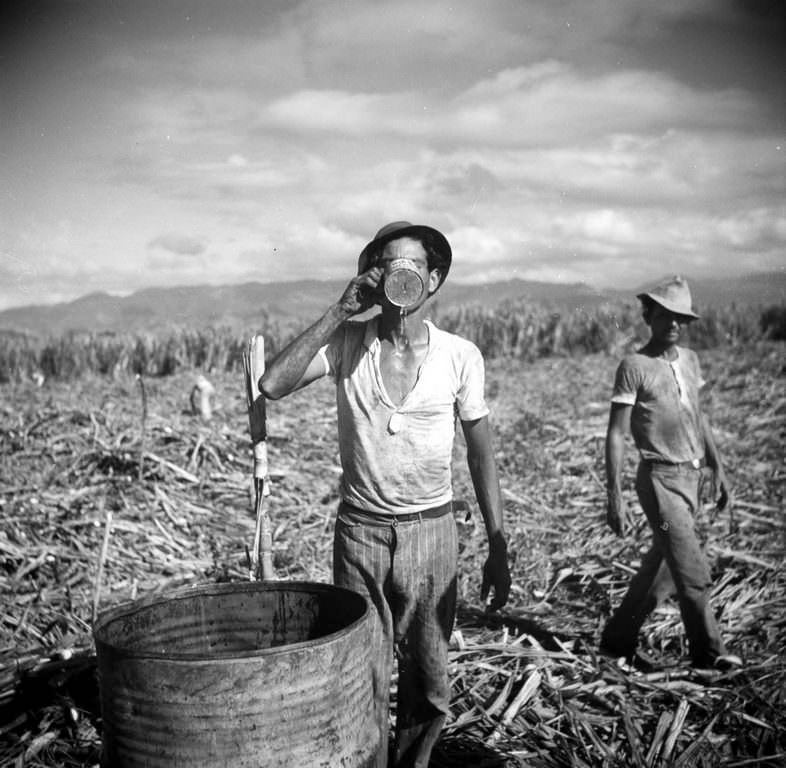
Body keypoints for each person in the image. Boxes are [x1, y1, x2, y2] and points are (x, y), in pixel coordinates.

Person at [260, 221, 511, 767]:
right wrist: (338, 310)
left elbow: (481, 453)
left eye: (412, 266)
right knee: (361, 678)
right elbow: (273, 384)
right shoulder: (348, 344)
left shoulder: (459, 356)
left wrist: (497, 541)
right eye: (387, 265)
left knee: (429, 680)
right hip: (361, 534)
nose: (401, 276)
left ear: (434, 278)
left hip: (432, 534)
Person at [600, 275, 739, 670]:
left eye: (682, 317)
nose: (674, 324)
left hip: (691, 477)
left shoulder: (691, 361)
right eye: (666, 315)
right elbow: (616, 432)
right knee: (691, 571)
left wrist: (717, 466)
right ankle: (709, 656)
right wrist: (614, 493)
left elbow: (700, 416)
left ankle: (616, 640)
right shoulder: (634, 366)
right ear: (650, 316)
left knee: (660, 570)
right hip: (659, 480)